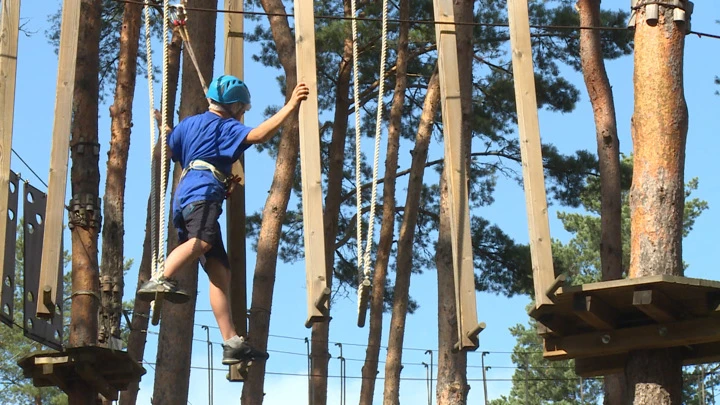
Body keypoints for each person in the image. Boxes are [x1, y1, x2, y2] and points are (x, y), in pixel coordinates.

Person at [137, 75, 310, 365]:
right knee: (202, 241)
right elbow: (260, 135)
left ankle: (231, 342)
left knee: (220, 273)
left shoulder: (189, 124)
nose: (243, 115)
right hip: (202, 193)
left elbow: (171, 145)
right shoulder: (225, 126)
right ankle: (160, 278)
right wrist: (291, 104)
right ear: (236, 106)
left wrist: (162, 125)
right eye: (242, 109)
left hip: (188, 195)